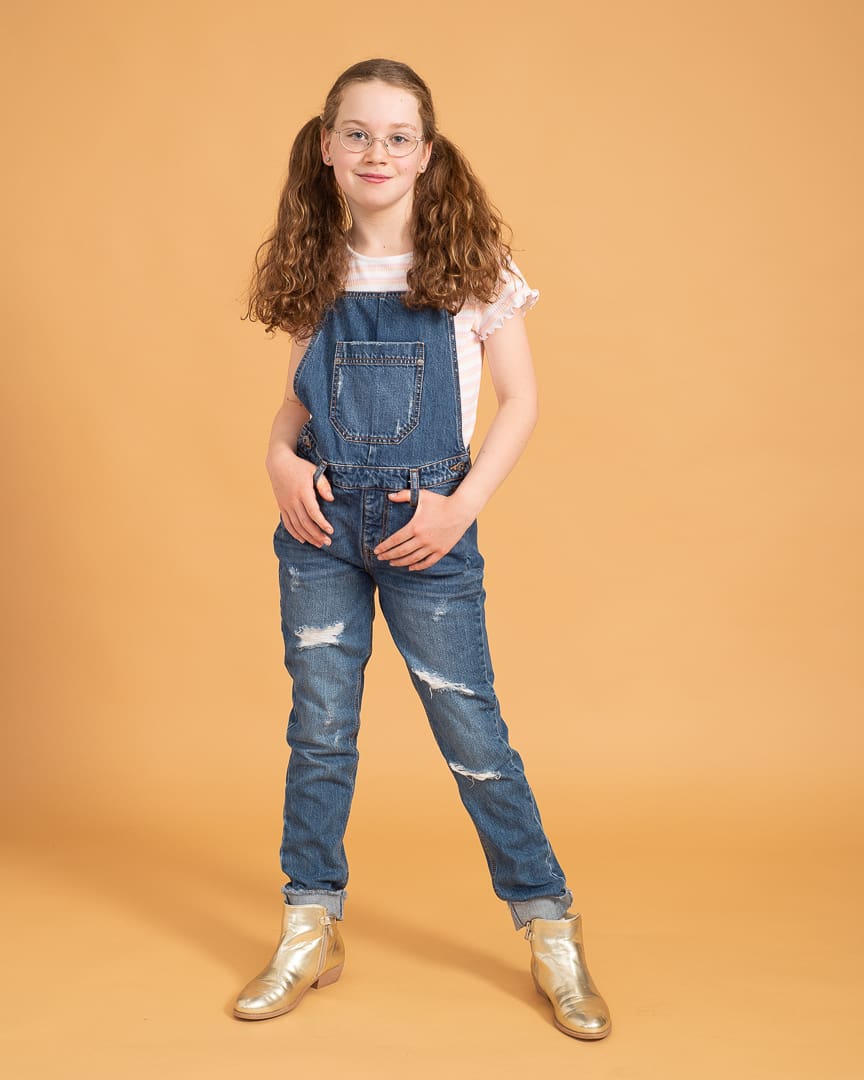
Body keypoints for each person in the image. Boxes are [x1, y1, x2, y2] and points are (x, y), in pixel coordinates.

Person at [234, 58, 611, 1040]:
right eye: (356, 133)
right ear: (325, 146)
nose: (376, 152)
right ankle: (310, 921)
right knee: (319, 732)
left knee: (473, 739)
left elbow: (522, 402)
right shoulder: (314, 260)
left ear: (427, 154)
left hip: (425, 533)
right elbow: (297, 401)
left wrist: (461, 507)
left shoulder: (470, 264)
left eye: (398, 136)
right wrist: (277, 456)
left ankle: (549, 927)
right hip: (318, 529)